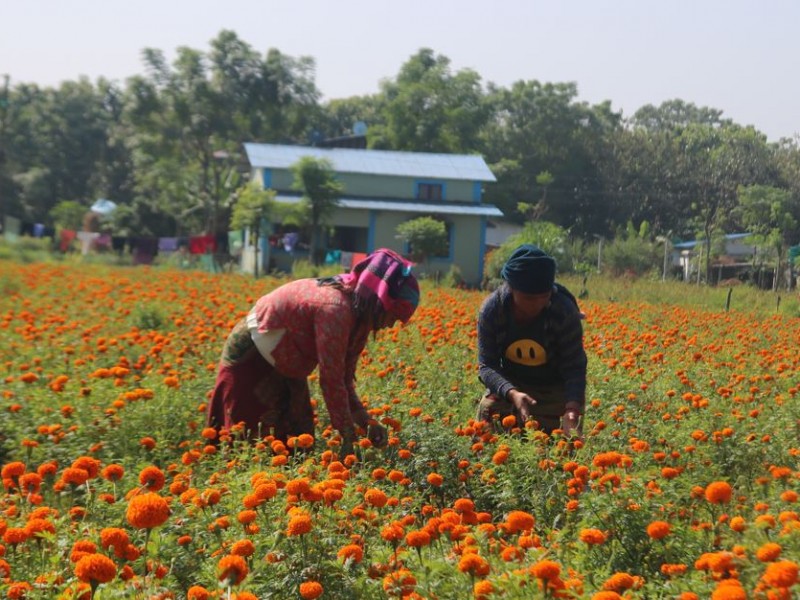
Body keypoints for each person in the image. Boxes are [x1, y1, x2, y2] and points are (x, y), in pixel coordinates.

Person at [206, 248, 420, 456]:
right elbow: (331, 380)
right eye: (393, 316)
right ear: (378, 303)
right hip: (252, 357)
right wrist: (347, 435)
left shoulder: (360, 317)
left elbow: (344, 380)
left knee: (298, 442)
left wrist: (366, 422)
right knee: (242, 442)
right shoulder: (336, 309)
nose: (391, 325)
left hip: (288, 363)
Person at [476, 244, 586, 437]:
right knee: (488, 412)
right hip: (511, 383)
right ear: (511, 289)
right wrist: (512, 393)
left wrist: (572, 410)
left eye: (544, 296)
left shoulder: (564, 311)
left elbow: (574, 366)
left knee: (565, 443)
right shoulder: (493, 310)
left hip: (554, 386)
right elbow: (487, 366)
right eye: (528, 298)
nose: (537, 304)